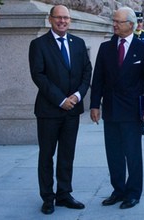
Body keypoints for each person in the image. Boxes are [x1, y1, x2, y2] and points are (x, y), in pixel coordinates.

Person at [28, 4, 91, 215]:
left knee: (67, 155)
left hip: (72, 111)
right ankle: (48, 197)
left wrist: (78, 95)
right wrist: (61, 99)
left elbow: (86, 72)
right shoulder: (38, 45)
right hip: (49, 111)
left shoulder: (79, 43)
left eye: (66, 18)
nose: (62, 21)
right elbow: (39, 76)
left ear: (70, 20)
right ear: (50, 19)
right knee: (47, 155)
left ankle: (64, 194)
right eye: (58, 18)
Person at [90, 7, 144, 209]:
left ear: (131, 25)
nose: (114, 24)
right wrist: (94, 105)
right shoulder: (105, 47)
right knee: (114, 153)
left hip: (132, 109)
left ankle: (133, 192)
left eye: (118, 21)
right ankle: (118, 190)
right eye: (114, 21)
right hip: (110, 108)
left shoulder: (143, 48)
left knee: (132, 153)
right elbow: (98, 78)